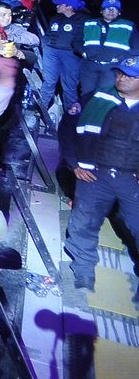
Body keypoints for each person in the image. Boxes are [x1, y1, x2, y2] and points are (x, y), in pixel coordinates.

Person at [66, 56, 139, 292]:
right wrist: (74, 163)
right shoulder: (97, 98)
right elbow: (67, 127)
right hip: (95, 173)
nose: (122, 79)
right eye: (120, 73)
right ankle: (83, 270)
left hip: (130, 177)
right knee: (84, 222)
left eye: (130, 76)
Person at [78, 0, 135, 99]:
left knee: (104, 96)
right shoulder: (89, 23)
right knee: (86, 95)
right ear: (101, 11)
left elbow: (136, 48)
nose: (111, 11)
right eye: (108, 8)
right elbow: (76, 40)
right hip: (89, 66)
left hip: (112, 67)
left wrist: (121, 58)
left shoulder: (128, 26)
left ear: (119, 12)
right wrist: (83, 52)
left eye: (115, 9)